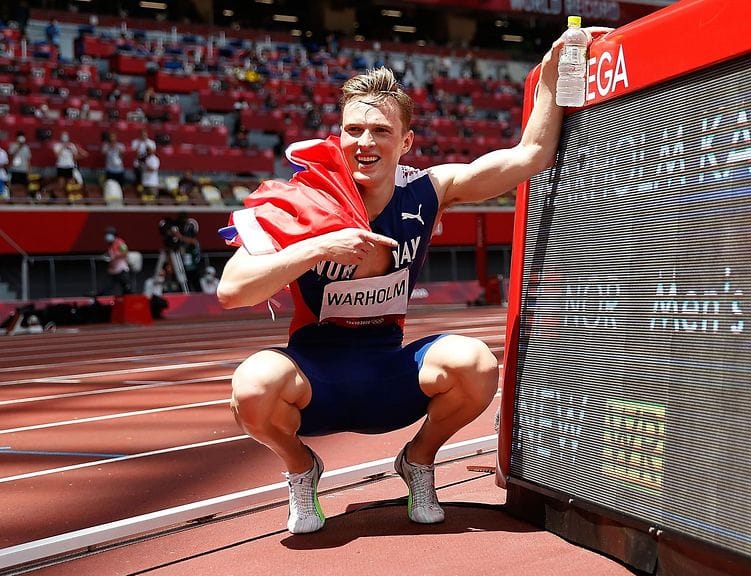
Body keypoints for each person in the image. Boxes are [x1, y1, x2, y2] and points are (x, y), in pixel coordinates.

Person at [217, 26, 611, 535]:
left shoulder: (429, 190)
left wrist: (553, 71)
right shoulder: (302, 200)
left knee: (475, 363)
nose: (365, 142)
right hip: (315, 377)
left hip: (389, 372)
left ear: (405, 142)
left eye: (380, 131)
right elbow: (232, 290)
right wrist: (318, 248)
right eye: (354, 130)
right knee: (253, 385)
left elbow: (530, 156)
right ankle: (301, 467)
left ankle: (418, 460)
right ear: (339, 137)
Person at [52, 131, 86, 197]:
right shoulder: (57, 145)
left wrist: (74, 150)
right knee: (61, 185)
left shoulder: (71, 145)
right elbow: (57, 155)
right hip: (61, 166)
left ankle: (68, 197)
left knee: (69, 185)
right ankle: (50, 192)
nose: (65, 142)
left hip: (70, 166)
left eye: (66, 140)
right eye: (64, 140)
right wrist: (63, 147)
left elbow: (76, 156)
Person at [101, 227, 132, 295]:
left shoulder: (120, 242)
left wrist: (115, 256)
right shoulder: (110, 245)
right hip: (114, 270)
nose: (106, 236)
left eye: (108, 234)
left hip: (122, 269)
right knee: (107, 287)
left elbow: (125, 252)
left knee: (127, 288)